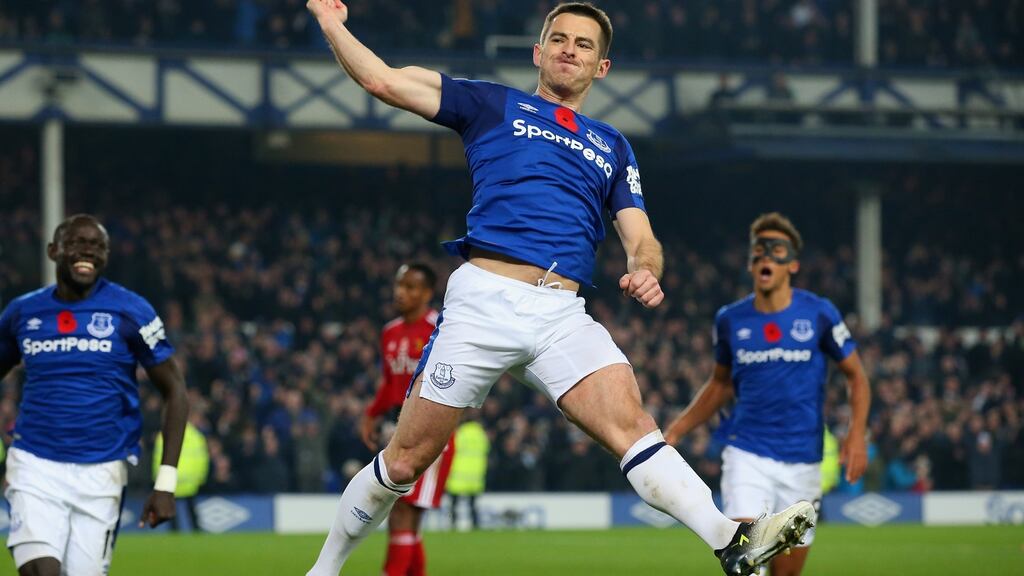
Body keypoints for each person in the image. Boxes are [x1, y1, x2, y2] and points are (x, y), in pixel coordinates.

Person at [305, 3, 814, 575]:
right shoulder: (492, 103)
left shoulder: (614, 147)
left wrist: (646, 268)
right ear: (538, 52)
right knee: (405, 462)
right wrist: (331, 25)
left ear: (602, 66)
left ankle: (730, 539)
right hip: (484, 298)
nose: (570, 49)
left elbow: (642, 237)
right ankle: (323, 570)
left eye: (584, 44)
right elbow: (383, 80)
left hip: (560, 313)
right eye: (559, 39)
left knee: (633, 426)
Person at [664, 212, 871, 576]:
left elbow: (856, 376)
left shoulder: (820, 314)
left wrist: (856, 434)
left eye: (776, 250)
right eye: (758, 251)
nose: (765, 257)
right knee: (747, 558)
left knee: (786, 574)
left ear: (792, 264)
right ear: (750, 262)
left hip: (803, 462)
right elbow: (720, 384)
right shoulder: (730, 320)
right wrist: (676, 431)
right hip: (747, 454)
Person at [0, 214, 189, 576]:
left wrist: (165, 483)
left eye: (98, 246)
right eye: (77, 243)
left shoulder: (130, 310)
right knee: (41, 570)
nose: (88, 251)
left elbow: (175, 390)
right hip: (34, 465)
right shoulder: (23, 312)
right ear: (54, 251)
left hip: (102, 472)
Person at [357, 263, 452, 576]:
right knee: (407, 521)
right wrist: (371, 415)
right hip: (399, 431)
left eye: (411, 287)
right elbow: (389, 383)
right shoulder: (390, 332)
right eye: (399, 285)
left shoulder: (440, 328)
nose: (401, 292)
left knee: (401, 513)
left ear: (426, 293)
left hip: (431, 433)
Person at [153, 418, 210, 532]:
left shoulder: (163, 436)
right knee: (191, 509)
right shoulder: (196, 436)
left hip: (170, 480)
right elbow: (203, 459)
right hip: (190, 481)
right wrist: (201, 477)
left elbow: (158, 459)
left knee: (171, 510)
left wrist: (157, 479)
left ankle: (175, 533)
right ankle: (197, 532)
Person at [446, 410, 490, 530]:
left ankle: (453, 524)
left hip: (458, 474)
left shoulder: (459, 433)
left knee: (454, 504)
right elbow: (486, 451)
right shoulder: (481, 434)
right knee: (473, 505)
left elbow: (451, 450)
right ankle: (475, 525)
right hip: (475, 475)